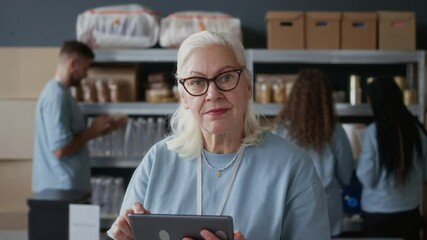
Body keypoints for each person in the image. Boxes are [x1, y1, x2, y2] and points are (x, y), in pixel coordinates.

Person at [108, 31, 330, 240]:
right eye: (196, 82)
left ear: (248, 86)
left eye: (225, 77)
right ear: (183, 96)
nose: (213, 94)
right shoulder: (157, 160)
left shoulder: (292, 166)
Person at [273, 68, 354, 237]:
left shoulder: (281, 129)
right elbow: (346, 175)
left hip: (289, 210)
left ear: (295, 96)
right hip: (328, 211)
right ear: (325, 98)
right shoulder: (335, 131)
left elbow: (273, 173)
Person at [32, 40, 119, 193]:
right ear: (73, 64)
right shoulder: (56, 96)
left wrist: (99, 131)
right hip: (60, 190)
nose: (86, 74)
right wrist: (92, 131)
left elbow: (72, 137)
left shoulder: (63, 93)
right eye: (85, 68)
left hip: (67, 189)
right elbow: (60, 149)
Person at [356, 77, 427, 240]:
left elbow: (367, 177)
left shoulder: (372, 133)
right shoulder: (417, 131)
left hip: (377, 215)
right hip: (410, 214)